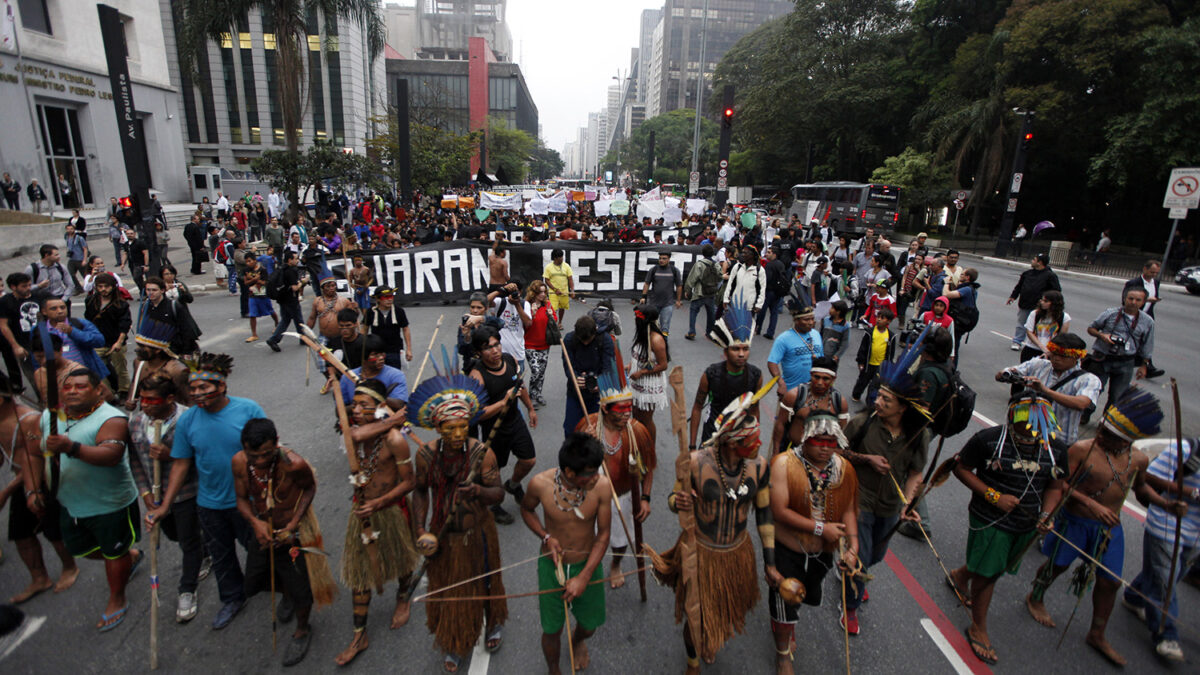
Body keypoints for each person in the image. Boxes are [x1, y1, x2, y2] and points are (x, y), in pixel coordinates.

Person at [1026, 388, 1169, 666]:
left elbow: (1141, 491)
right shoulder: (1083, 450)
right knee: (1057, 566)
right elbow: (1059, 483)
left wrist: (1164, 503)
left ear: (1125, 441)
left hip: (1109, 531)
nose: (1099, 434)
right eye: (1101, 428)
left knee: (1111, 582)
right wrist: (1092, 505)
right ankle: (1036, 597)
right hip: (1075, 522)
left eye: (1107, 434)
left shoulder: (1138, 459)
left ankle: (1097, 633)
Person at [647, 391, 778, 673]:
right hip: (701, 551)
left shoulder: (760, 467)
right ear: (731, 441)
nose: (759, 443)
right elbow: (673, 499)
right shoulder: (694, 462)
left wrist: (770, 563)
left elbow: (765, 516)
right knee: (696, 616)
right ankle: (692, 661)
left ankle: (711, 636)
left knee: (722, 611)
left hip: (736, 554)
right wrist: (678, 502)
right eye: (751, 440)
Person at [144, 353, 267, 630]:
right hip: (209, 503)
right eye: (193, 388)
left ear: (222, 386)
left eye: (205, 387)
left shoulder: (248, 410)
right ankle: (233, 598)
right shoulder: (187, 421)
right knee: (222, 557)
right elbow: (181, 463)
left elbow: (267, 451)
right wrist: (164, 505)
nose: (198, 393)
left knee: (261, 550)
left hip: (248, 500)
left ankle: (280, 588)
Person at [948, 393, 1068, 665]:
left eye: (1036, 425)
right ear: (1012, 418)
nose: (1030, 429)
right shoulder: (987, 440)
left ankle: (959, 575)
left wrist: (1047, 515)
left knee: (995, 566)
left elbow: (1055, 486)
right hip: (988, 517)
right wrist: (993, 496)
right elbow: (961, 469)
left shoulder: (1056, 450)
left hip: (1025, 524)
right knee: (989, 573)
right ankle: (978, 626)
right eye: (1025, 423)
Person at [409, 367, 508, 672]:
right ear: (438, 428)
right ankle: (454, 639)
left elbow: (499, 494)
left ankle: (492, 623)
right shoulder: (425, 456)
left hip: (477, 532)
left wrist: (479, 490)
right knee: (448, 587)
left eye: (463, 427)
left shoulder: (482, 454)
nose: (457, 434)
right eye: (450, 428)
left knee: (487, 579)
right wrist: (421, 531)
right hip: (442, 535)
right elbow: (421, 493)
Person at [35, 369, 141, 631]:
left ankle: (117, 597)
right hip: (70, 502)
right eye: (67, 386)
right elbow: (36, 453)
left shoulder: (111, 418)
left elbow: (111, 455)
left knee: (113, 553)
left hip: (109, 502)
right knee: (80, 549)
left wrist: (70, 447)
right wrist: (33, 489)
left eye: (80, 387)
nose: (72, 391)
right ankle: (129, 556)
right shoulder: (50, 417)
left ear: (98, 391)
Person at [839, 350, 932, 634]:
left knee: (876, 555)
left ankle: (858, 572)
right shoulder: (862, 422)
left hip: (890, 505)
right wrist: (866, 460)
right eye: (878, 397)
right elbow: (839, 451)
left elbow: (916, 472)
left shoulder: (919, 435)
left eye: (886, 400)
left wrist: (908, 501)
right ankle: (850, 607)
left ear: (903, 407)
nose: (878, 402)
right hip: (859, 499)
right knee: (862, 554)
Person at [232, 418, 336, 666]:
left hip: (291, 534)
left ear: (276, 444)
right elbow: (241, 499)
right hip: (263, 533)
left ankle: (302, 629)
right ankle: (286, 593)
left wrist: (292, 525)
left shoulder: (294, 464)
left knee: (302, 590)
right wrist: (255, 523)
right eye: (253, 455)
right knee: (254, 583)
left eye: (265, 455)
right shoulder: (239, 462)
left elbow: (309, 490)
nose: (259, 461)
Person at [333, 379, 420, 665]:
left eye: (363, 406)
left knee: (404, 561)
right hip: (362, 512)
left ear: (380, 407)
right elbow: (352, 435)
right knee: (361, 574)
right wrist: (390, 419)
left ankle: (403, 597)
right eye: (354, 404)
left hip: (390, 509)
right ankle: (360, 634)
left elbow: (409, 482)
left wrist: (379, 503)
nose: (355, 410)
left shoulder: (394, 439)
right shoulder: (355, 432)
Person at [768, 413, 860, 668]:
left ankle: (786, 626)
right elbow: (779, 511)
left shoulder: (844, 469)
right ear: (805, 439)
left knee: (801, 596)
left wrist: (853, 549)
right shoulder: (783, 465)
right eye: (819, 441)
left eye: (831, 443)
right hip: (789, 548)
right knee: (785, 598)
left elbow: (849, 510)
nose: (825, 448)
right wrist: (821, 529)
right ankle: (783, 653)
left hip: (822, 552)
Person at [520, 433, 612, 674]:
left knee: (589, 626)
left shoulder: (601, 486)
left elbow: (602, 536)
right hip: (552, 567)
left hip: (587, 564)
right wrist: (545, 536)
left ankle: (578, 640)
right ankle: (553, 669)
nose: (597, 477)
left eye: (597, 470)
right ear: (570, 473)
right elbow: (527, 510)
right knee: (552, 630)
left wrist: (584, 577)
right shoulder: (540, 484)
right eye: (590, 473)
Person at [126, 373, 210, 623]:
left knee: (187, 541)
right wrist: (145, 493)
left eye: (152, 400)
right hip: (156, 496)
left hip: (187, 493)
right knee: (173, 534)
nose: (145, 405)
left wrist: (172, 455)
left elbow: (204, 457)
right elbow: (135, 462)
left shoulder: (189, 419)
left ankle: (187, 589)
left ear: (169, 399)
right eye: (142, 399)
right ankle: (206, 549)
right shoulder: (136, 422)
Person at [574, 362, 655, 589]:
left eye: (630, 409)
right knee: (585, 540)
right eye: (621, 411)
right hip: (589, 497)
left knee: (620, 542)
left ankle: (616, 565)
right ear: (605, 410)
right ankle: (587, 566)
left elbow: (648, 468)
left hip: (624, 496)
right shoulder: (586, 426)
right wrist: (583, 442)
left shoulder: (637, 431)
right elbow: (569, 468)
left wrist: (646, 498)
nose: (627, 415)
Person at [4, 370, 79, 603]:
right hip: (23, 482)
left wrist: (25, 491)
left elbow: (37, 460)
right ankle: (39, 578)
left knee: (53, 529)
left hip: (43, 480)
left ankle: (69, 567)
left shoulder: (28, 421)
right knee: (20, 533)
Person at [1123, 438, 1200, 662]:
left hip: (1195, 536)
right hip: (1167, 523)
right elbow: (1148, 477)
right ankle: (1166, 635)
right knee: (1165, 581)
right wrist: (1190, 493)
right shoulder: (1186, 450)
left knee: (1169, 575)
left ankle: (1133, 596)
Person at [468, 327, 537, 525]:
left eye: (496, 344)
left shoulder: (510, 360)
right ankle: (494, 505)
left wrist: (530, 409)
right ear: (479, 353)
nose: (495, 350)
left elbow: (519, 387)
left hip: (515, 420)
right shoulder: (477, 376)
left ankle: (513, 484)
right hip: (493, 429)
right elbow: (478, 414)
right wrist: (502, 403)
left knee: (529, 460)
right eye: (488, 348)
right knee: (493, 470)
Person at [995, 333, 1100, 444]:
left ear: (1077, 356)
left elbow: (1081, 404)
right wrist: (1009, 375)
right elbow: (1000, 375)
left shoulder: (1088, 379)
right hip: (1025, 436)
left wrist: (1044, 390)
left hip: (1059, 441)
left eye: (1063, 356)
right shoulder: (1038, 365)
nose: (1056, 359)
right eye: (1054, 354)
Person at [692, 300, 763, 447]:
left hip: (740, 439)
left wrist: (753, 439)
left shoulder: (756, 376)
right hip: (712, 436)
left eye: (745, 349)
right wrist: (692, 446)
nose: (742, 354)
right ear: (725, 352)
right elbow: (697, 408)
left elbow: (755, 410)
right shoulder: (711, 374)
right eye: (736, 349)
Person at [1084, 286, 1154, 420]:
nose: (1133, 302)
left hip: (1126, 361)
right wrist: (1102, 336)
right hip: (1102, 358)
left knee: (1118, 395)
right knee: (1093, 389)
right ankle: (1085, 414)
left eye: (1138, 300)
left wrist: (1144, 365)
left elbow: (1147, 345)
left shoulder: (1148, 321)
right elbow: (1091, 328)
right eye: (1130, 298)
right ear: (1124, 299)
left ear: (1143, 302)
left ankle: (1107, 421)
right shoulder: (1110, 313)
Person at [772, 356, 849, 454]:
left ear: (833, 379)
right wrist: (776, 452)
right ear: (811, 374)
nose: (820, 383)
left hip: (823, 457)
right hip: (792, 451)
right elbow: (780, 424)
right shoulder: (794, 395)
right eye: (816, 377)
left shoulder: (840, 402)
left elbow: (841, 433)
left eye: (826, 379)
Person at [561, 315, 614, 437]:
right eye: (582, 340)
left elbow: (609, 367)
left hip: (598, 393)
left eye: (588, 340)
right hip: (576, 392)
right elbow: (568, 365)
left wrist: (600, 382)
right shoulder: (569, 340)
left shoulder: (605, 340)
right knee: (570, 429)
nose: (585, 343)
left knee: (597, 429)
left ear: (595, 332)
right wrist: (575, 377)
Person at [83, 273, 131, 397]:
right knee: (98, 369)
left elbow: (124, 325)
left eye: (106, 286)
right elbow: (87, 321)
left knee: (121, 369)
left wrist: (119, 342)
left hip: (116, 341)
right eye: (100, 286)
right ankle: (108, 393)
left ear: (113, 287)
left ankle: (124, 391)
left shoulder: (121, 304)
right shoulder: (90, 301)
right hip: (98, 342)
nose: (103, 289)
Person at [629, 304, 669, 451]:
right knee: (636, 416)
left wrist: (642, 372)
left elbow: (663, 365)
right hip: (637, 382)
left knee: (646, 419)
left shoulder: (657, 339)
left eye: (636, 317)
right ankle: (639, 445)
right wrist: (630, 366)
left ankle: (649, 451)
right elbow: (639, 356)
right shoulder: (642, 334)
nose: (634, 320)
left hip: (648, 383)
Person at [128, 315, 191, 406]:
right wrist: (130, 399)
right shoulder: (138, 363)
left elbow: (189, 399)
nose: (137, 349)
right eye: (138, 345)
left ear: (157, 350)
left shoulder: (176, 370)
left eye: (143, 347)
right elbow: (134, 383)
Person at [336, 335, 409, 414]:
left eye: (382, 354)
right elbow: (339, 411)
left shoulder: (396, 375)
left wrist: (375, 394)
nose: (381, 358)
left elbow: (399, 404)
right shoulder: (347, 377)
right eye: (375, 354)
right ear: (363, 357)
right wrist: (360, 404)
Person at [1006, 253, 1061, 351]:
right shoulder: (1027, 273)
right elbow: (1019, 286)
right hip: (1025, 303)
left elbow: (1056, 291)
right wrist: (1013, 296)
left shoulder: (1050, 276)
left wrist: (1048, 301)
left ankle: (1037, 343)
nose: (1032, 261)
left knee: (1039, 325)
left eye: (1034, 259)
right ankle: (1017, 341)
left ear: (1040, 262)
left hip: (1039, 306)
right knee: (1021, 323)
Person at [768, 305, 824, 398]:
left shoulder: (816, 334)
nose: (811, 322)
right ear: (796, 321)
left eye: (812, 319)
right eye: (806, 320)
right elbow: (772, 362)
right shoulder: (783, 338)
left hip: (815, 391)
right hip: (792, 392)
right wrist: (781, 383)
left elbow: (821, 358)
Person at [1123, 259, 1165, 378]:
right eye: (1152, 272)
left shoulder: (1156, 283)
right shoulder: (1133, 283)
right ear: (1145, 269)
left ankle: (1147, 366)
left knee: (1146, 340)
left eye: (1156, 273)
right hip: (1133, 315)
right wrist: (1147, 300)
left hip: (1147, 316)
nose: (1153, 275)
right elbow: (1125, 299)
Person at [138, 277, 200, 356]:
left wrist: (186, 351)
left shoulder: (174, 306)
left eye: (154, 290)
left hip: (176, 350)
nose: (151, 293)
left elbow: (186, 329)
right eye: (148, 290)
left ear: (162, 290)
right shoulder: (145, 307)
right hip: (156, 351)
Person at [0, 273, 38, 392]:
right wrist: (15, 345)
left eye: (29, 285)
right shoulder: (6, 301)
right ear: (13, 287)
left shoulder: (37, 296)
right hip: (18, 342)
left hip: (39, 341)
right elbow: (3, 324)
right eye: (24, 286)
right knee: (33, 376)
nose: (28, 288)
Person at [265, 251, 307, 353]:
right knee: (299, 320)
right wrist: (303, 282)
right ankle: (303, 338)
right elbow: (294, 288)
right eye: (295, 259)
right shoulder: (291, 271)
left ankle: (274, 339)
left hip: (282, 299)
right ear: (289, 260)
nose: (297, 261)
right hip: (291, 300)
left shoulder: (281, 268)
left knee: (286, 320)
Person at [523, 281, 557, 408]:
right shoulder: (527, 305)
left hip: (544, 344)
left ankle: (537, 394)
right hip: (530, 344)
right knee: (536, 370)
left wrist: (550, 315)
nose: (543, 295)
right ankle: (531, 395)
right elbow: (525, 325)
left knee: (541, 372)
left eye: (544, 292)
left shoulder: (547, 304)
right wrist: (532, 313)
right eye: (540, 292)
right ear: (534, 293)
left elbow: (554, 321)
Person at [362, 286, 412, 370]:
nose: (389, 299)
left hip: (394, 350)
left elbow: (405, 329)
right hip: (376, 351)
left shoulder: (399, 311)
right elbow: (364, 329)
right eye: (385, 297)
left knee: (394, 376)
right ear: (378, 299)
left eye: (391, 296)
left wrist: (409, 349)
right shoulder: (370, 312)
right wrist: (362, 348)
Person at [486, 281, 531, 369]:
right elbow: (484, 301)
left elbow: (528, 323)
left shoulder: (524, 304)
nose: (513, 294)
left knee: (517, 381)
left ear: (520, 292)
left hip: (517, 353)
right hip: (500, 353)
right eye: (511, 291)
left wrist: (517, 304)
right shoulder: (500, 302)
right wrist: (501, 290)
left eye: (516, 291)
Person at [684, 244, 723, 341]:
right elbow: (720, 276)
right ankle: (709, 332)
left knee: (693, 311)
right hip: (711, 293)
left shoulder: (699, 264)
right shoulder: (716, 264)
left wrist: (688, 290)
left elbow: (692, 278)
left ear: (703, 253)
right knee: (711, 313)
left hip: (700, 292)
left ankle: (692, 331)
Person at [1019, 290, 1069, 363]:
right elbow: (1029, 332)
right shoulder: (1035, 314)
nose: (1042, 302)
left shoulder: (1064, 317)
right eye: (1042, 300)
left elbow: (1061, 337)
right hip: (1032, 349)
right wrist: (1043, 348)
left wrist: (1050, 351)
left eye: (1045, 301)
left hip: (1051, 352)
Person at [641, 252, 683, 336]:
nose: (661, 260)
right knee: (651, 325)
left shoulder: (674, 270)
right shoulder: (653, 270)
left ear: (669, 259)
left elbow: (679, 286)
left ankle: (664, 344)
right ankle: (652, 344)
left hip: (667, 304)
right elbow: (646, 283)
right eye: (660, 258)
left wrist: (678, 300)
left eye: (664, 258)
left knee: (665, 328)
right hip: (653, 303)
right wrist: (643, 297)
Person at [25, 244, 74, 309]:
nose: (59, 256)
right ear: (47, 255)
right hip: (41, 300)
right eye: (56, 255)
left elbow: (70, 285)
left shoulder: (61, 267)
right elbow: (25, 288)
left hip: (59, 297)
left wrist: (64, 299)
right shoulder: (32, 269)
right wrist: (39, 286)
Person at [756, 247, 790, 339]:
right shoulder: (781, 264)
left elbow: (767, 279)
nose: (766, 254)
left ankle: (757, 328)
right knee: (774, 312)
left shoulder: (769, 265)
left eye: (769, 252)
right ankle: (771, 332)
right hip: (778, 292)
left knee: (762, 310)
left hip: (769, 291)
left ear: (774, 254)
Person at [722, 245, 767, 314]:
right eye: (742, 252)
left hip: (749, 307)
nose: (742, 255)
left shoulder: (760, 270)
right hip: (734, 305)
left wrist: (759, 305)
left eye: (745, 253)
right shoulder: (737, 267)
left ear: (752, 255)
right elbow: (730, 284)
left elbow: (762, 289)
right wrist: (725, 299)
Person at [241, 258, 277, 343]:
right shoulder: (246, 270)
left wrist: (256, 280)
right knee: (252, 314)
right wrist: (254, 279)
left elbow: (265, 282)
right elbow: (246, 282)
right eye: (246, 261)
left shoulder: (262, 270)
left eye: (250, 261)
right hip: (252, 295)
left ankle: (277, 324)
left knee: (270, 311)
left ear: (255, 260)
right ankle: (254, 334)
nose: (248, 263)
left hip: (263, 294)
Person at [543, 249, 575, 326]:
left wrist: (572, 290)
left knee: (562, 308)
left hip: (564, 291)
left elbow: (570, 279)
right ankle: (553, 323)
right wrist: (555, 289)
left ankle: (560, 322)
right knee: (553, 309)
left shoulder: (566, 266)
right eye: (560, 257)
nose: (562, 258)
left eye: (562, 257)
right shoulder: (548, 267)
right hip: (553, 292)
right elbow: (547, 280)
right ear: (555, 258)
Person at [820, 300, 851, 373]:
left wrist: (837, 356)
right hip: (821, 353)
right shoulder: (826, 320)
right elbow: (820, 335)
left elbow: (845, 343)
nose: (830, 310)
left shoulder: (845, 326)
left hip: (832, 356)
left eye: (832, 308)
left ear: (838, 312)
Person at [63, 224, 88, 294]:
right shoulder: (67, 237)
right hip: (72, 259)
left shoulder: (79, 238)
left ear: (74, 229)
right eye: (68, 229)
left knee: (86, 276)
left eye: (71, 229)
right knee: (71, 274)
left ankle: (91, 287)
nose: (70, 230)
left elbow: (85, 249)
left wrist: (85, 260)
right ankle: (78, 288)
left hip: (80, 259)